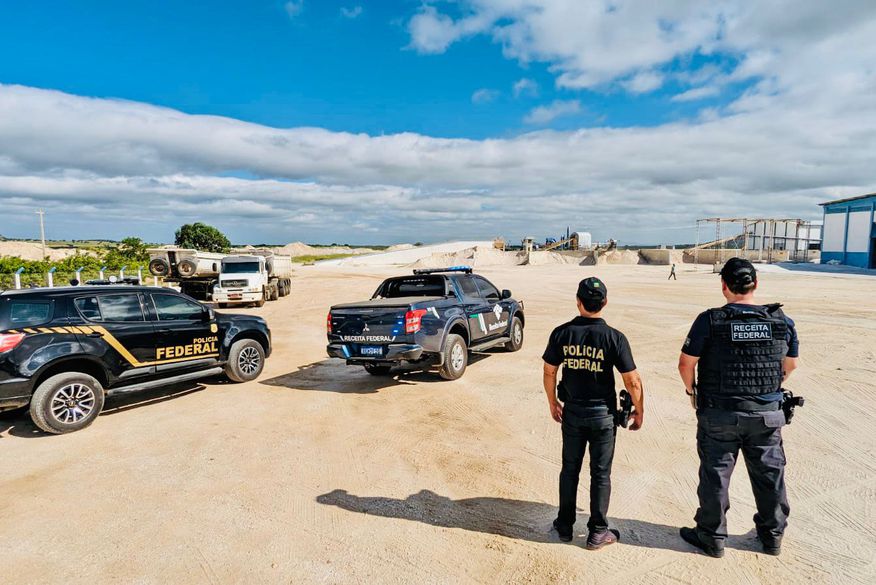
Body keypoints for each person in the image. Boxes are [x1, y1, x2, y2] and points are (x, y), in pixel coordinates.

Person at [677, 257, 799, 558]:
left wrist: (692, 391)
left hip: (719, 412)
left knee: (715, 475)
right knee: (769, 475)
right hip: (766, 414)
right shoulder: (782, 321)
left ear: (724, 287)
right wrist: (767, 387)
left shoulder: (710, 320)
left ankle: (711, 536)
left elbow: (685, 364)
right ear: (755, 284)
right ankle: (772, 537)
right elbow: (791, 365)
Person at [542, 276, 645, 549]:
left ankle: (564, 524)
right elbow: (631, 380)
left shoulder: (562, 333)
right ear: (605, 303)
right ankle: (598, 530)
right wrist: (640, 409)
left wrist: (552, 402)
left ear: (578, 301)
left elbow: (549, 371)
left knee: (569, 470)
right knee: (600, 474)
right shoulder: (615, 338)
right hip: (603, 417)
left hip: (573, 413)